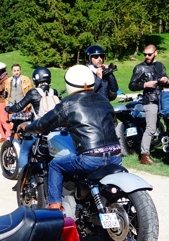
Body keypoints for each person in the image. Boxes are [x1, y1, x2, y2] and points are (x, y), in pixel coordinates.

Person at [23, 65, 122, 210]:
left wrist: (27, 127)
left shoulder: (68, 103)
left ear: (69, 83)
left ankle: (55, 207)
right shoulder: (103, 99)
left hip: (91, 158)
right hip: (115, 155)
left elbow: (44, 124)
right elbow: (113, 123)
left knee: (55, 165)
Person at [128, 44, 169, 164]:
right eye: (145, 54)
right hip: (149, 100)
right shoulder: (140, 68)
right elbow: (131, 85)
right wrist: (145, 85)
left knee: (167, 123)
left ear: (155, 53)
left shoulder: (160, 66)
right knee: (151, 128)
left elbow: (167, 81)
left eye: (149, 54)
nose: (147, 56)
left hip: (162, 99)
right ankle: (144, 155)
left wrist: (166, 81)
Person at [0, 62, 11, 142]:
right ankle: (3, 136)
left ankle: (9, 136)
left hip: (3, 101)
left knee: (4, 119)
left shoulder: (6, 79)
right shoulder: (0, 78)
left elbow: (0, 89)